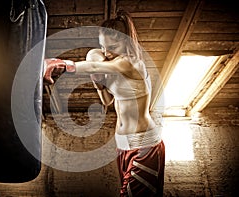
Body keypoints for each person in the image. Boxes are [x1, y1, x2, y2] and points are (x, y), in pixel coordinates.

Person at [44, 9, 165, 197]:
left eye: (112, 47)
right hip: (122, 145)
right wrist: (97, 82)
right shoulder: (110, 63)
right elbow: (107, 102)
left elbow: (93, 65)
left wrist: (62, 64)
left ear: (125, 41)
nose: (106, 52)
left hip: (144, 145)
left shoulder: (131, 64)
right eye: (103, 46)